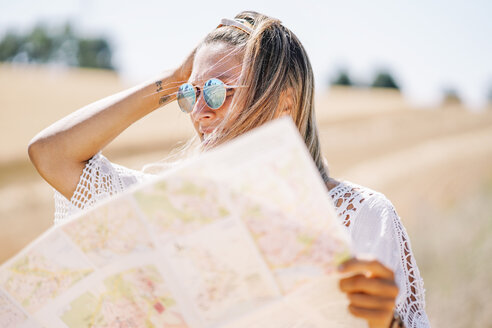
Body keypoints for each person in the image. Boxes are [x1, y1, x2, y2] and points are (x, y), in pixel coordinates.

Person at [28, 11, 429, 328]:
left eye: (217, 90)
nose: (199, 112)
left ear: (285, 105)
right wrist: (169, 82)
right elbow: (51, 154)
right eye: (190, 94)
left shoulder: (361, 216)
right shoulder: (161, 209)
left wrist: (386, 324)